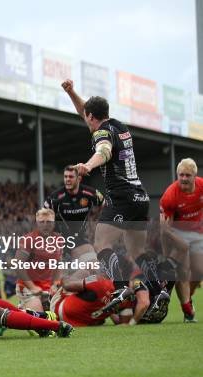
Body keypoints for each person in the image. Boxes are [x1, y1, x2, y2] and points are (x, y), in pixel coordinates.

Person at [61, 80, 149, 274]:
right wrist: (72, 92)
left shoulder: (101, 133)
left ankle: (119, 288)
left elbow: (104, 150)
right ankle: (158, 287)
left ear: (91, 116)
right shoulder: (120, 127)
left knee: (101, 245)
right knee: (137, 252)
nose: (84, 118)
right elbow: (86, 110)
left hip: (121, 195)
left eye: (86, 116)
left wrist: (88, 165)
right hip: (140, 197)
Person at [159, 158, 203, 322]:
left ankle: (188, 297)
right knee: (183, 272)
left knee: (199, 272)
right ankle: (187, 311)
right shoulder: (170, 196)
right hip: (176, 233)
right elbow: (164, 230)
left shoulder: (202, 186)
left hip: (198, 232)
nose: (184, 178)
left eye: (187, 175)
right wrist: (165, 255)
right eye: (181, 175)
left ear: (194, 176)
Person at [44, 165, 104, 263]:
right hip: (58, 241)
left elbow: (104, 204)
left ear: (79, 178)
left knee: (93, 264)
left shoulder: (90, 193)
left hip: (79, 239)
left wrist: (97, 219)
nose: (67, 179)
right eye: (65, 176)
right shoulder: (55, 197)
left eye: (71, 177)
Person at [15, 209, 63, 312]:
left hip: (48, 288)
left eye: (49, 222)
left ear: (54, 222)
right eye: (42, 222)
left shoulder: (58, 239)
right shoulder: (28, 239)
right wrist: (32, 287)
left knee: (63, 313)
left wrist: (56, 283)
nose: (45, 225)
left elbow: (58, 263)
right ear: (37, 223)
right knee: (38, 318)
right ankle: (21, 309)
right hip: (27, 287)